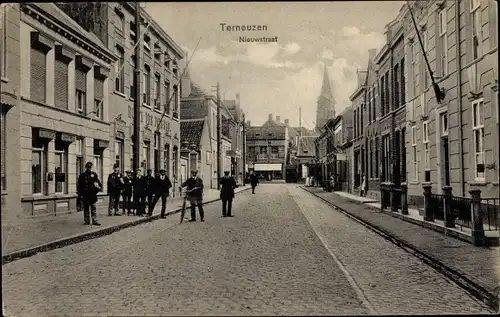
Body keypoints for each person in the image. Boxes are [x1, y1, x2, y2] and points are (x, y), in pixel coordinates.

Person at [77, 161, 102, 226]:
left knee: (93, 208)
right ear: (86, 167)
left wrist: (97, 190)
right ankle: (87, 221)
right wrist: (80, 195)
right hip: (85, 194)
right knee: (86, 208)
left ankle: (94, 221)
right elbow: (79, 186)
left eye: (90, 167)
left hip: (92, 194)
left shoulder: (94, 174)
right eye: (88, 167)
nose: (89, 168)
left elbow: (98, 183)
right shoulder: (82, 175)